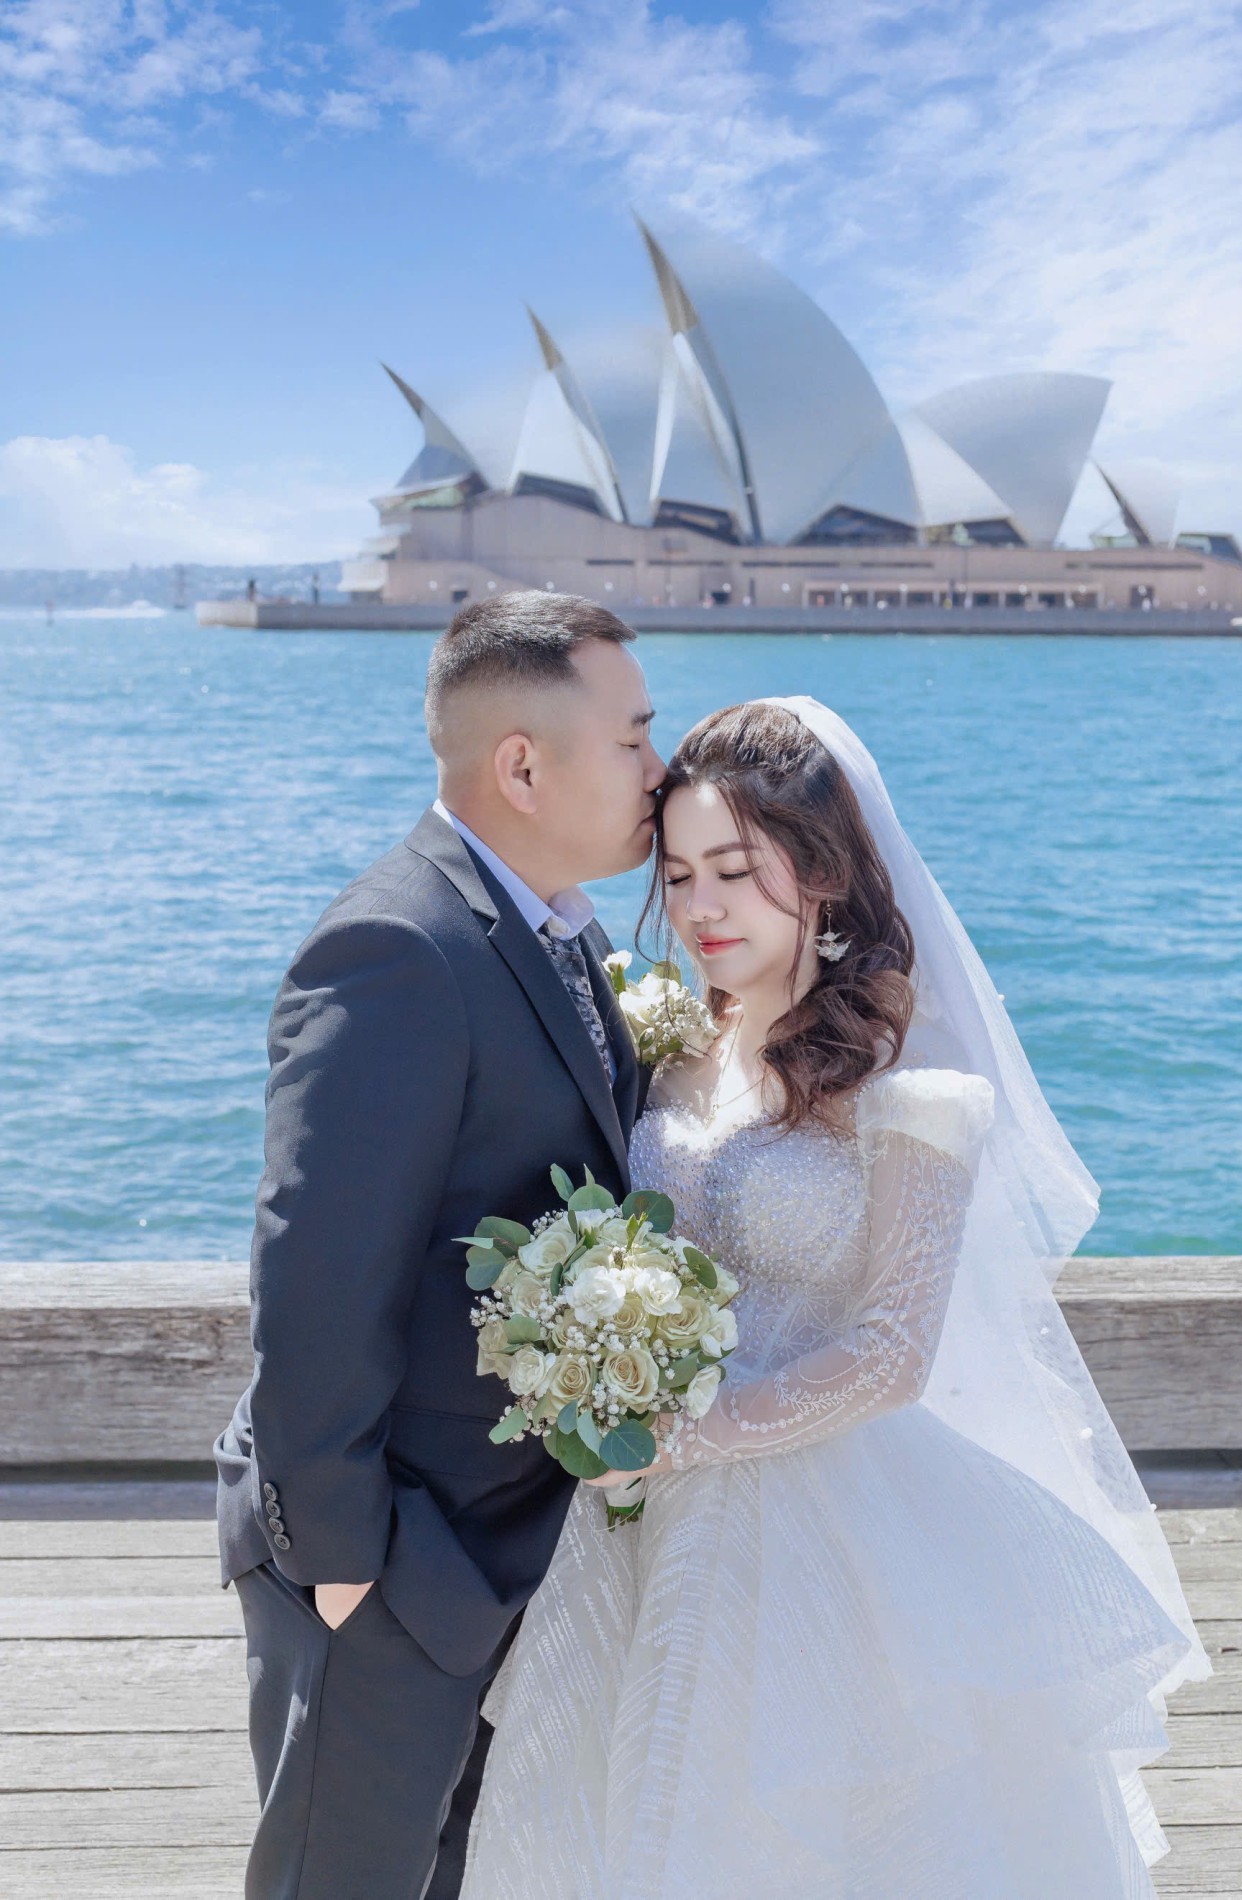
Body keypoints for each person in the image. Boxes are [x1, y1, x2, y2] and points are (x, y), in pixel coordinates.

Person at [461, 696, 1209, 1900]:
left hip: (831, 1521)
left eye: (735, 871)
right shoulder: (669, 1048)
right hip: (645, 1521)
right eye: (680, 875)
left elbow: (892, 1351)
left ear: (817, 872)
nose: (700, 907)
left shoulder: (908, 1083)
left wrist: (682, 1434)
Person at [212, 591, 665, 1899]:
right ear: (521, 766)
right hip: (392, 1557)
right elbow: (312, 1274)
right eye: (632, 736)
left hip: (506, 1547)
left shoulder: (560, 929)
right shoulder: (394, 946)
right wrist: (338, 1563)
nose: (659, 765)